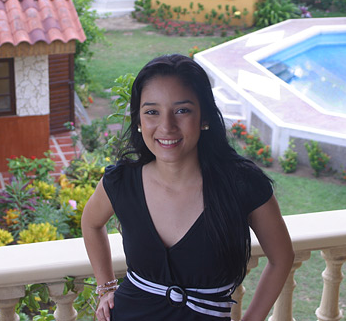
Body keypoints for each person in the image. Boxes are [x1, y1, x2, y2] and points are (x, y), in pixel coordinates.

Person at [82, 54, 294, 321]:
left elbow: (282, 257)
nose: (167, 126)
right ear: (138, 120)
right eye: (151, 112)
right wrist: (106, 287)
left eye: (182, 110)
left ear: (204, 117)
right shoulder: (121, 182)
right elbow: (90, 223)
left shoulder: (243, 184)